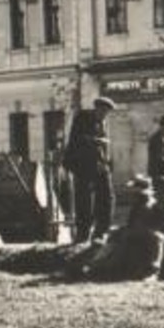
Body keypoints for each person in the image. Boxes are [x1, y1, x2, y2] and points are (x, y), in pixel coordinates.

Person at [64, 98, 116, 243]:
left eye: (107, 113)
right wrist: (97, 141)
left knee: (107, 197)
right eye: (103, 111)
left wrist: (106, 161)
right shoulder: (83, 118)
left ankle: (101, 232)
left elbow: (103, 145)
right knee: (84, 201)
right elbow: (78, 139)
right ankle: (82, 234)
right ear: (97, 108)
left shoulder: (102, 122)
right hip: (82, 165)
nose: (105, 115)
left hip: (99, 165)